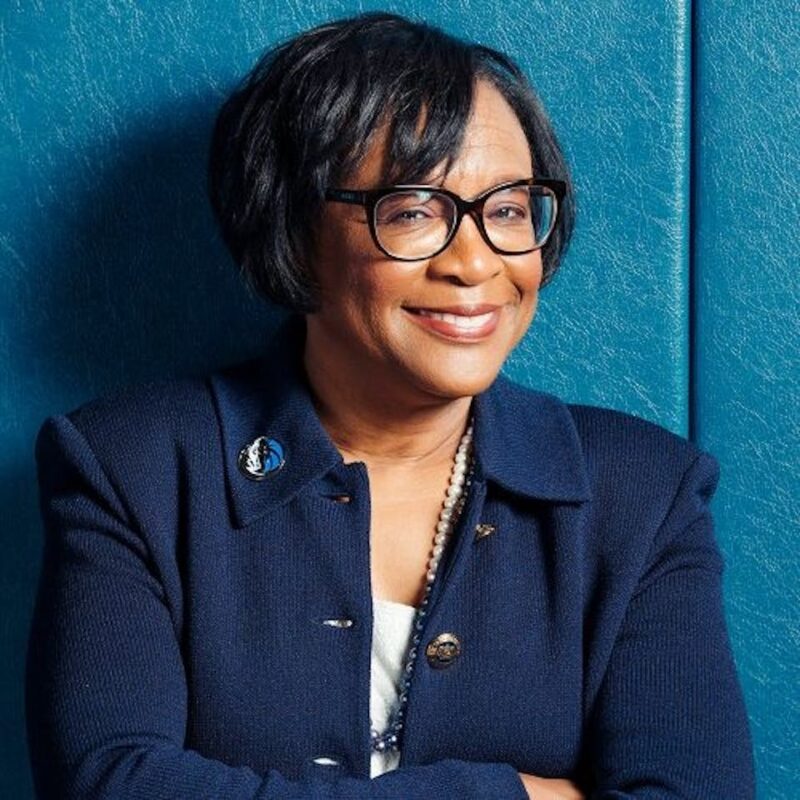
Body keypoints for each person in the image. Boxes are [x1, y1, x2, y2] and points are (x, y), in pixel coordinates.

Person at [25, 11, 755, 799]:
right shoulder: (130, 466)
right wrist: (506, 794)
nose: (476, 262)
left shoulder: (643, 491)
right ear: (293, 229)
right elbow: (109, 785)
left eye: (509, 209)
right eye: (414, 211)